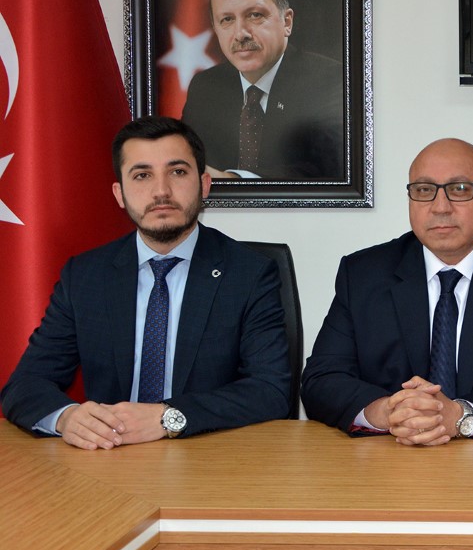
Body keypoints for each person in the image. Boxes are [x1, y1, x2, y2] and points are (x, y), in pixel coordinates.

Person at [0, 116, 291, 448]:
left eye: (177, 172)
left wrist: (168, 417)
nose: (161, 191)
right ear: (120, 194)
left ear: (204, 184)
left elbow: (271, 390)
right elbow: (25, 384)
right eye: (142, 175)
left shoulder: (249, 273)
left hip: (208, 455)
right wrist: (66, 418)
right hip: (108, 455)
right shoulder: (84, 276)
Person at [300, 138, 473, 444]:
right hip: (389, 457)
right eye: (424, 190)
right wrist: (387, 411)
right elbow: (321, 380)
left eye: (459, 189)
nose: (440, 207)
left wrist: (460, 416)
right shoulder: (363, 274)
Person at [181, 0, 344, 180]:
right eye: (227, 20)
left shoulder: (331, 80)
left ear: (287, 22)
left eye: (255, 15)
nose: (240, 34)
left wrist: (232, 180)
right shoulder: (206, 86)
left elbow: (330, 167)